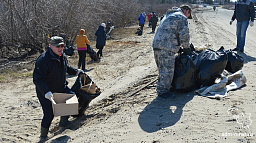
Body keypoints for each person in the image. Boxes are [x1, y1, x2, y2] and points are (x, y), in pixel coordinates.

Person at [33, 36, 83, 142]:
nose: (60, 48)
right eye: (57, 46)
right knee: (49, 114)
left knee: (72, 98)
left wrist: (76, 71)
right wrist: (46, 92)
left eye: (62, 46)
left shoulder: (62, 55)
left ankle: (63, 122)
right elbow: (37, 79)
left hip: (60, 87)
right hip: (45, 92)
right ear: (51, 46)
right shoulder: (43, 60)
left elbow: (66, 67)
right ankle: (43, 137)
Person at [152, 5, 192, 98]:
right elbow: (184, 34)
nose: (187, 17)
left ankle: (162, 87)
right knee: (167, 71)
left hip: (157, 45)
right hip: (167, 47)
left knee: (162, 69)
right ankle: (163, 92)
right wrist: (186, 48)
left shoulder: (169, 15)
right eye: (188, 15)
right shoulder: (181, 17)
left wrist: (179, 46)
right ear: (186, 11)